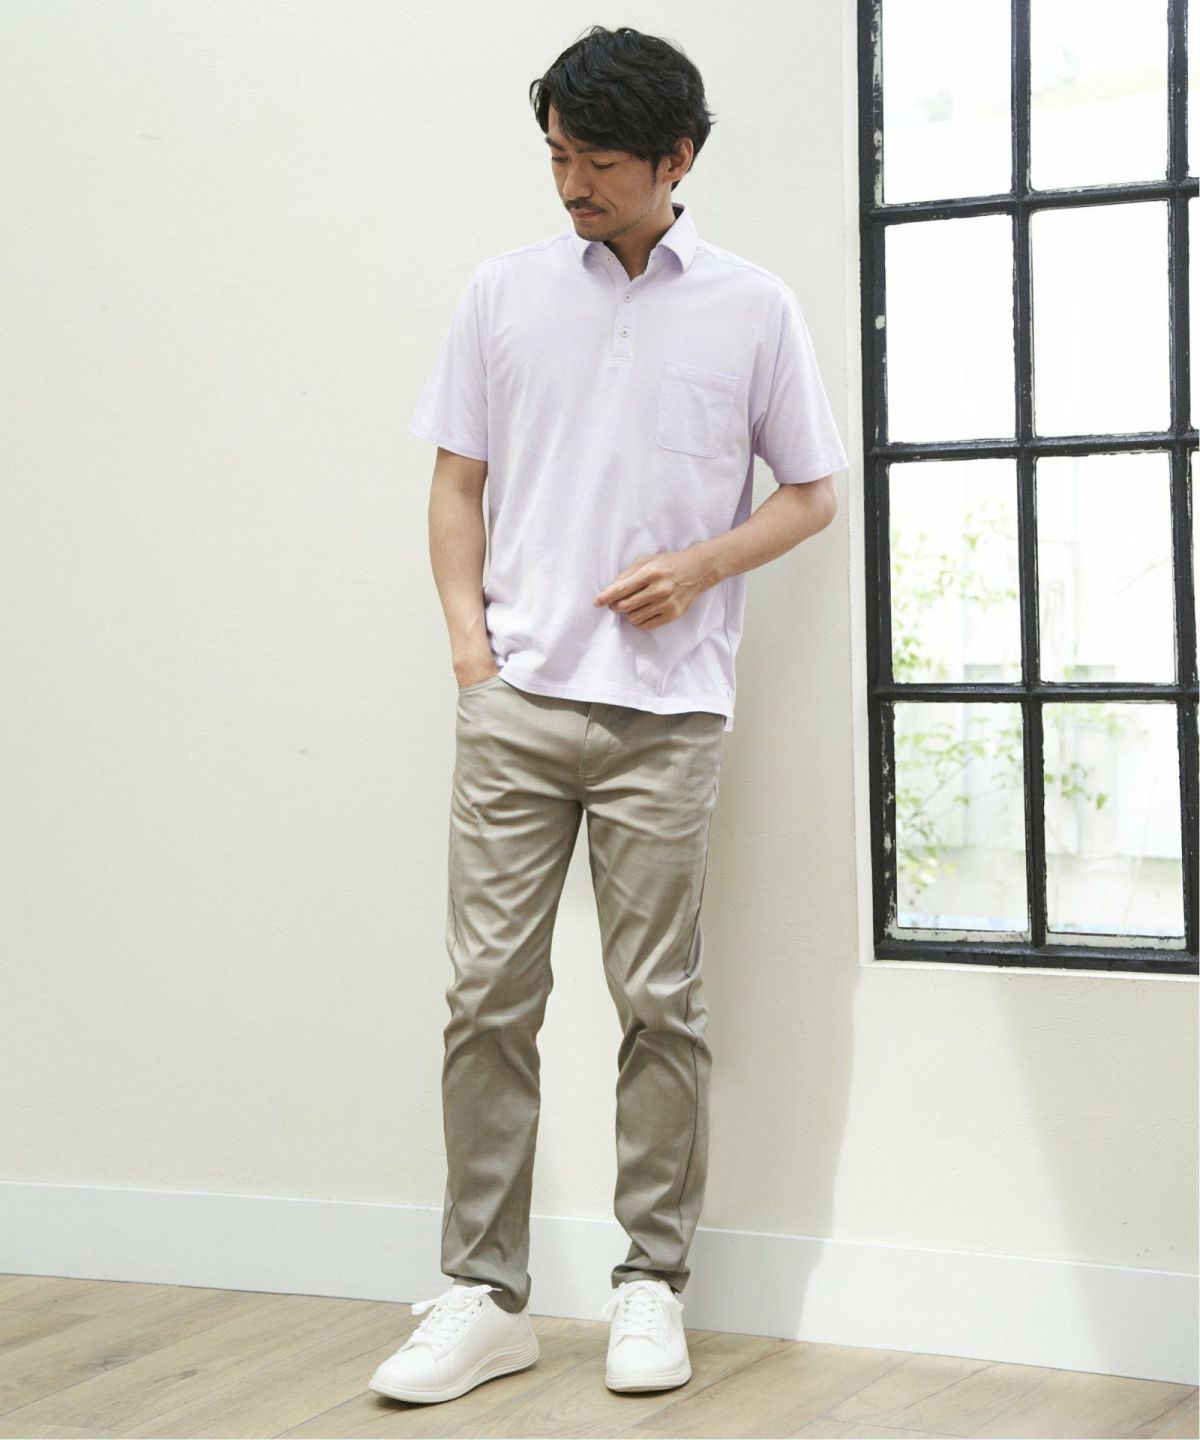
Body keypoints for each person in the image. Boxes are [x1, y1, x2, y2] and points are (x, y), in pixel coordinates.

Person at [369, 23, 848, 1407]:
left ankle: (652, 1286)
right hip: (516, 704)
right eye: (557, 156)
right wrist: (473, 655)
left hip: (666, 718)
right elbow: (455, 483)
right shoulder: (502, 292)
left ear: (676, 159)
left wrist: (702, 566)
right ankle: (481, 1295)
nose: (572, 182)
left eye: (599, 160)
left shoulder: (753, 307)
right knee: (487, 1000)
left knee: (659, 1008)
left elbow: (811, 492)